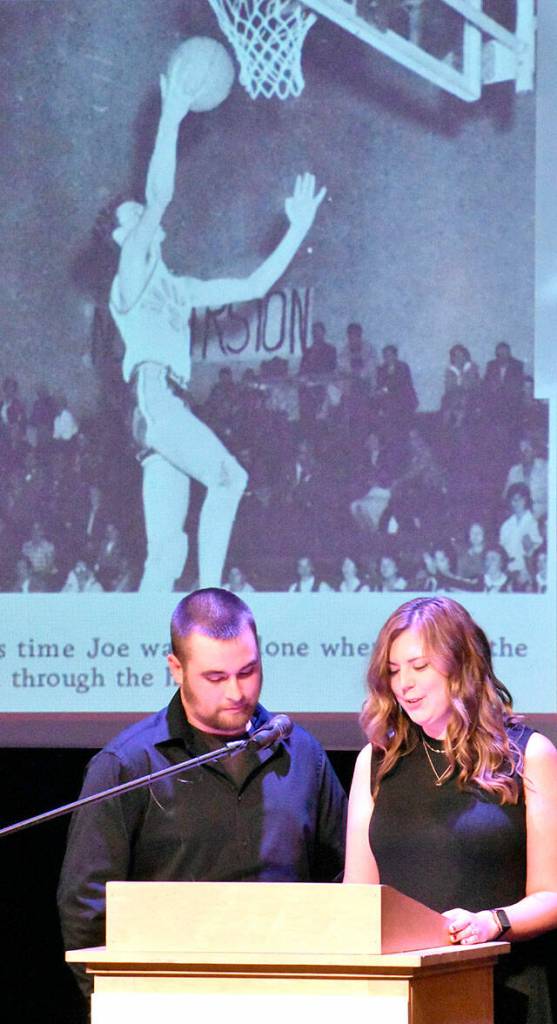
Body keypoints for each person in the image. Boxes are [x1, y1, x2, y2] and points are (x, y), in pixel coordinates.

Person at [58, 588, 346, 998]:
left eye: (248, 671)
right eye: (215, 677)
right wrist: (116, 1004)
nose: (236, 692)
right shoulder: (128, 765)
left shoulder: (302, 754)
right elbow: (87, 906)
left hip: (289, 998)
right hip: (165, 1003)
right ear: (176, 668)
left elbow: (346, 885)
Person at [110, 66, 326, 590]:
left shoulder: (179, 289)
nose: (137, 213)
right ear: (122, 237)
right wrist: (171, 116)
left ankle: (137, 645)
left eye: (136, 212)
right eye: (128, 216)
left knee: (166, 552)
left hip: (165, 405)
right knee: (230, 478)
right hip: (152, 394)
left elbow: (253, 286)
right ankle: (211, 602)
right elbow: (157, 196)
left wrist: (297, 230)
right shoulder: (130, 277)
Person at [344, 596, 557, 1023]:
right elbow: (358, 899)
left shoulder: (529, 755)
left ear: (461, 664)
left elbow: (551, 896)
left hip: (504, 991)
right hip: (399, 998)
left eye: (419, 666)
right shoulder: (377, 759)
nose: (404, 683)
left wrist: (491, 923)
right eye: (393, 670)